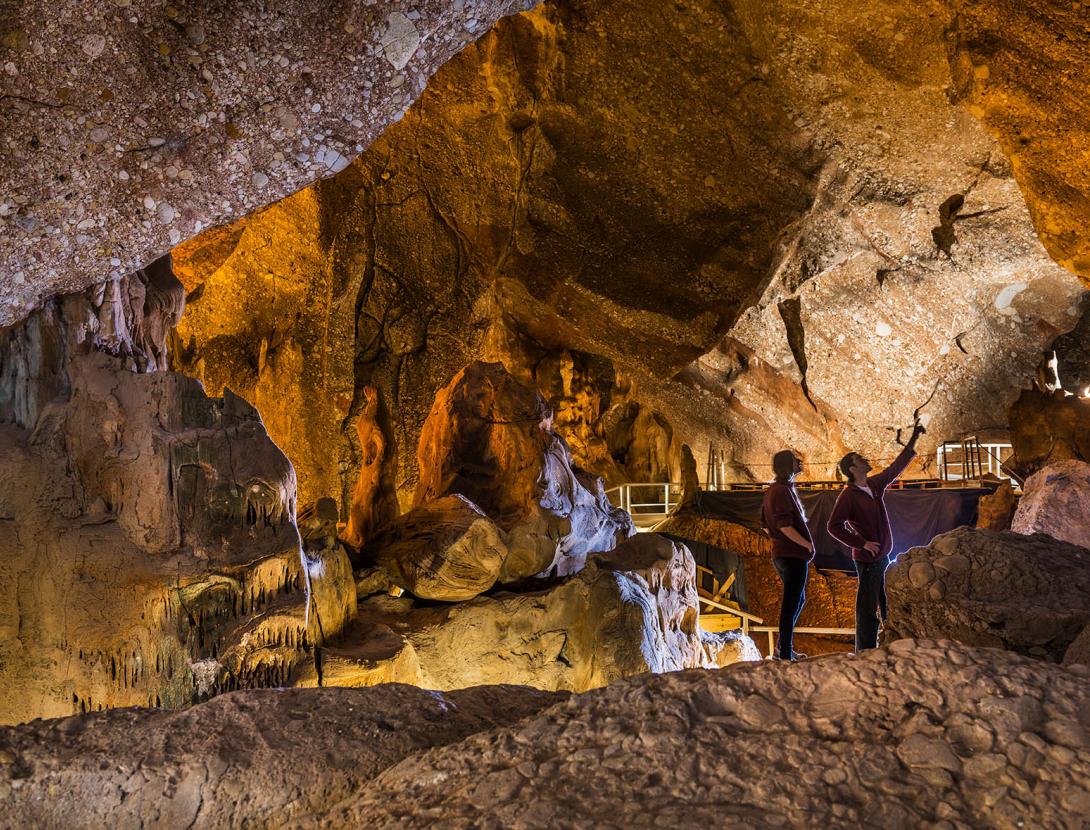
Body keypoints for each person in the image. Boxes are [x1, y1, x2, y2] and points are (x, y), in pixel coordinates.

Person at [827, 423, 926, 651]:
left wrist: (912, 440)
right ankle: (865, 651)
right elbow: (834, 526)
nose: (865, 460)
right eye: (860, 459)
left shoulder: (873, 485)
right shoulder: (848, 496)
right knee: (867, 608)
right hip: (868, 560)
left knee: (886, 602)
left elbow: (895, 469)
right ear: (853, 468)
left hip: (882, 556)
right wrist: (861, 543)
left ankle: (887, 644)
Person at [759, 450, 814, 661]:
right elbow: (784, 525)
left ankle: (784, 648)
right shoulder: (781, 491)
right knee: (791, 603)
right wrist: (805, 544)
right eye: (794, 461)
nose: (798, 462)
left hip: (783, 554)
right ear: (786, 466)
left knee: (798, 599)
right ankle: (783, 654)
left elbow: (764, 525)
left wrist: (778, 540)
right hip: (792, 555)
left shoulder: (775, 490)